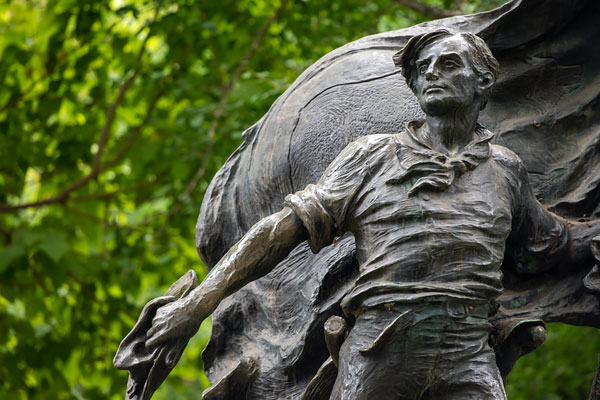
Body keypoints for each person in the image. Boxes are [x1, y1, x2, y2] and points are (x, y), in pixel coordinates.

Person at [145, 29, 600, 399]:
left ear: (483, 82)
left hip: (469, 358)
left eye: (447, 64)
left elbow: (549, 245)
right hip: (379, 354)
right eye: (422, 70)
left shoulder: (505, 170)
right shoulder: (372, 157)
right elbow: (280, 232)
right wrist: (199, 304)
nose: (431, 75)